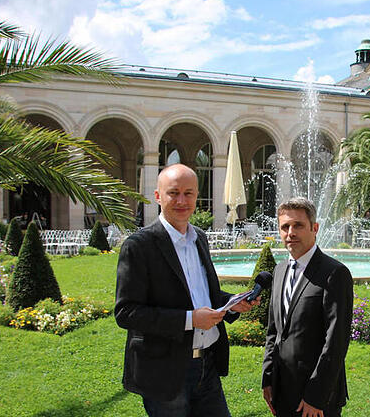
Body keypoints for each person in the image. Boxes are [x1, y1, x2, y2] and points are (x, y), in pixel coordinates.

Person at [115, 163, 258, 417]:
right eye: (174, 193)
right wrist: (191, 320)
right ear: (158, 197)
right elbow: (126, 312)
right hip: (165, 371)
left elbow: (204, 295)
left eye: (189, 193)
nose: (182, 200)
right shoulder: (139, 246)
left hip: (207, 365)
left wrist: (230, 303)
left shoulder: (199, 238)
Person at [262, 197, 353, 417]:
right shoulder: (280, 270)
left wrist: (316, 395)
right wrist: (268, 377)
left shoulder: (334, 273)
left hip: (317, 397)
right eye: (285, 227)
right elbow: (274, 330)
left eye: (298, 225)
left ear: (315, 228)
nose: (290, 232)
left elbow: (336, 341)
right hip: (282, 390)